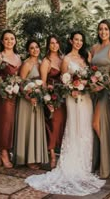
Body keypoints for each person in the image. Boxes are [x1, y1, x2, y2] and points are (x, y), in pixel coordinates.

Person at [25, 31, 105, 196]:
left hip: (86, 97)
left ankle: (87, 164)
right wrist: (73, 88)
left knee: (86, 129)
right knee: (75, 128)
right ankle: (73, 164)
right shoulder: (66, 59)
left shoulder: (86, 58)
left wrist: (88, 84)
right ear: (70, 41)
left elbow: (91, 77)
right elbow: (64, 80)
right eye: (75, 39)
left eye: (81, 40)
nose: (78, 42)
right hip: (72, 98)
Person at [91, 19, 110, 178]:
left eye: (106, 29)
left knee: (96, 124)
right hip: (94, 91)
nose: (103, 32)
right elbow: (91, 69)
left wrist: (105, 85)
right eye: (101, 29)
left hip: (106, 92)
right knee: (96, 127)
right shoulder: (94, 48)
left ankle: (108, 162)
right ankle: (100, 163)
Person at [16, 39, 48, 169]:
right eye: (32, 48)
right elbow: (21, 83)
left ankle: (36, 157)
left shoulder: (41, 63)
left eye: (37, 47)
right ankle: (27, 159)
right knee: (28, 127)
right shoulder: (27, 64)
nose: (35, 50)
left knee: (36, 128)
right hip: (27, 102)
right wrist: (29, 97)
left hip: (37, 100)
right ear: (28, 50)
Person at [0, 30, 21, 169]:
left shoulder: (18, 57)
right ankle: (3, 152)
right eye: (6, 39)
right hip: (1, 96)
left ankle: (8, 149)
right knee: (2, 123)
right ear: (2, 41)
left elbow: (19, 77)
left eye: (12, 39)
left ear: (15, 41)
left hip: (13, 95)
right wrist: (0, 90)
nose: (9, 41)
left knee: (10, 123)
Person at [40, 35, 66, 169]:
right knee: (53, 125)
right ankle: (52, 155)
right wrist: (47, 100)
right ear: (48, 45)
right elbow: (43, 83)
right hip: (52, 98)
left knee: (62, 124)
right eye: (51, 43)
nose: (54, 45)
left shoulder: (63, 59)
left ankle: (61, 153)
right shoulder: (46, 61)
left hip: (63, 98)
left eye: (56, 42)